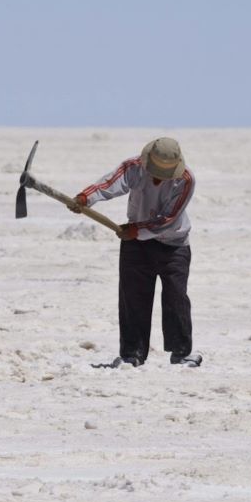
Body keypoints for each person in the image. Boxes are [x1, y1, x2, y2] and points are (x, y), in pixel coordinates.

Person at [70, 137, 201, 368]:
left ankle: (181, 353)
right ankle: (132, 354)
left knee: (176, 298)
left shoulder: (186, 180)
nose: (160, 177)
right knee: (133, 298)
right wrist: (85, 198)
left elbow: (168, 219)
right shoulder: (134, 167)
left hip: (174, 244)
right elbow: (108, 184)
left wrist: (135, 230)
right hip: (136, 244)